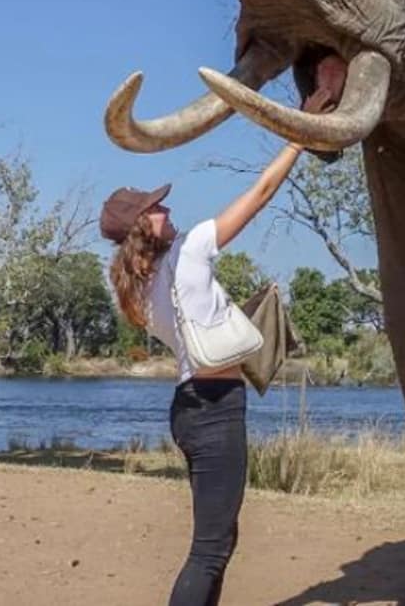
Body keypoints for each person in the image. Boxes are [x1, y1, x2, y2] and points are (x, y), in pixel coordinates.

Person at [101, 89, 332, 606]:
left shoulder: (138, 289)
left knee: (221, 540)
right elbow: (263, 192)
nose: (165, 206)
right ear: (144, 225)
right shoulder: (190, 249)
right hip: (215, 410)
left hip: (188, 408)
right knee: (209, 548)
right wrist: (300, 135)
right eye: (155, 207)